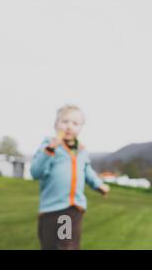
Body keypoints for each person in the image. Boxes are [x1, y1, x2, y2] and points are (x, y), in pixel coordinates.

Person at [31, 104, 110, 250]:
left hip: (71, 208)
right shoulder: (49, 146)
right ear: (56, 125)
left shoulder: (82, 151)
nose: (69, 126)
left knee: (66, 245)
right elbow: (36, 172)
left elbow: (87, 171)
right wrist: (49, 150)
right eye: (65, 121)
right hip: (49, 208)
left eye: (75, 123)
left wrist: (99, 185)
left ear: (80, 128)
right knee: (49, 246)